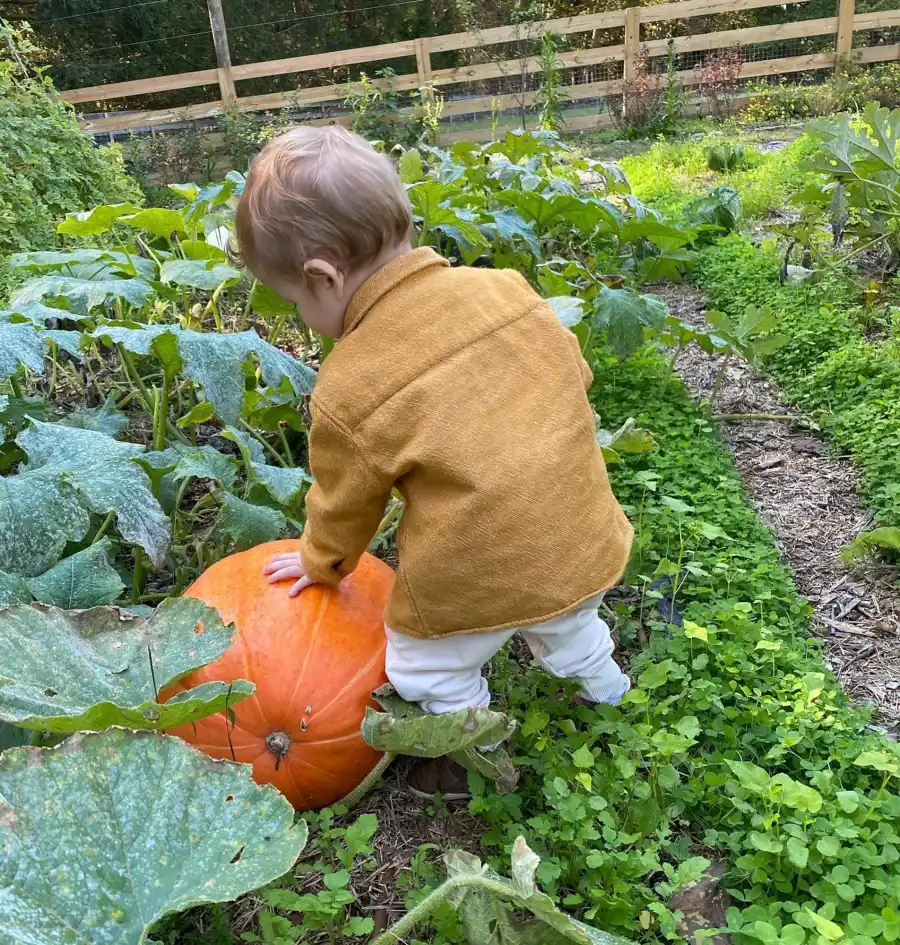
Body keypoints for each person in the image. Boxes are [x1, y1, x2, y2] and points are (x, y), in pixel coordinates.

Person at [234, 125, 634, 799]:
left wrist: (320, 562)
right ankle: (611, 693)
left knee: (424, 668)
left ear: (323, 277)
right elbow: (575, 369)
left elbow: (345, 504)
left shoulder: (351, 383)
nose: (305, 317)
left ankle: (479, 747)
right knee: (570, 624)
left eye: (298, 303)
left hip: (482, 575)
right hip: (583, 540)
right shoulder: (507, 289)